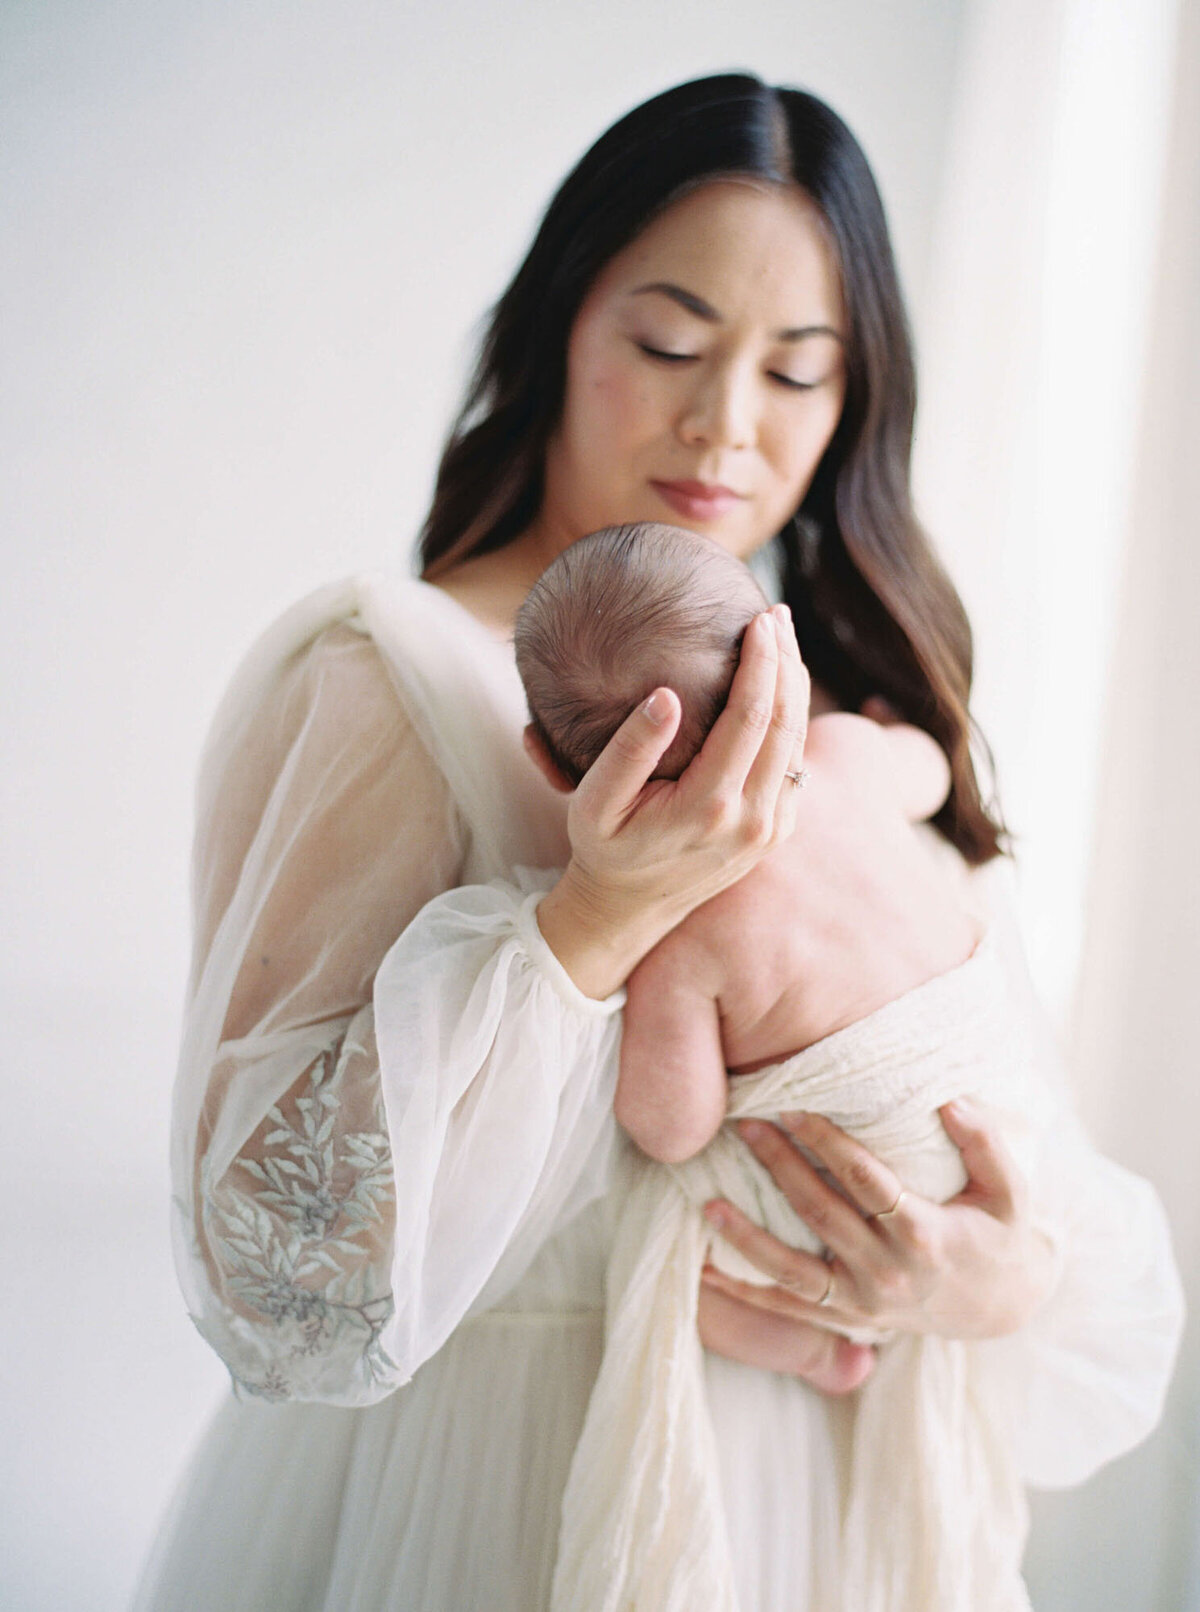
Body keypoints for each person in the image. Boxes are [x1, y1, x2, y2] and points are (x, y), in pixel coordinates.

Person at [135, 74, 1183, 1612]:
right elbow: (275, 1275)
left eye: (800, 373)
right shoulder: (388, 677)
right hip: (500, 1503)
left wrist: (982, 1276)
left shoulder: (850, 724)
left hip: (821, 1525)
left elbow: (1019, 1145)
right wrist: (594, 922)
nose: (727, 425)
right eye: (672, 345)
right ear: (562, 324)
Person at [514, 519, 1047, 1609]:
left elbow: (671, 1126)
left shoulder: (684, 937)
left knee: (673, 1237)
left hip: (866, 1176)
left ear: (552, 770)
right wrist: (887, 733)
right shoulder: (851, 757)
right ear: (780, 664)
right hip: (985, 1108)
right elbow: (931, 763)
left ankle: (816, 1350)